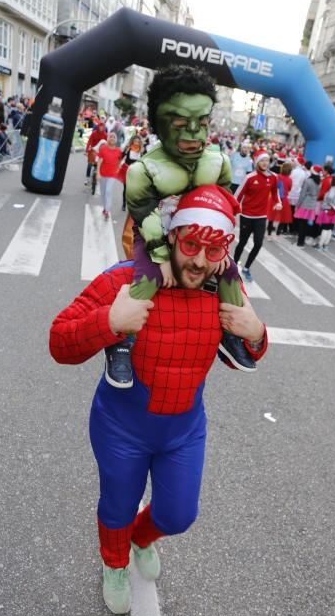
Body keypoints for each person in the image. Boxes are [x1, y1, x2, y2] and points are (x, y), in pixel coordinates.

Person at [49, 185, 268, 615]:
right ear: (170, 236)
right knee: (117, 505)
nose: (200, 261)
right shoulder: (127, 279)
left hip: (183, 430)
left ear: (226, 247)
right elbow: (59, 342)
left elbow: (245, 353)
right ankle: (113, 564)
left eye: (214, 248)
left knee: (177, 516)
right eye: (190, 245)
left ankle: (139, 538)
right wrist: (110, 321)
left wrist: (257, 332)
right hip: (121, 428)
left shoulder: (225, 287)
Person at [106, 64, 257, 390]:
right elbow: (142, 212)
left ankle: (230, 333)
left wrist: (220, 248)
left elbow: (226, 203)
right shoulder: (144, 169)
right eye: (179, 124)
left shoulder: (218, 161)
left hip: (198, 237)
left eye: (200, 123)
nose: (192, 134)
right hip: (157, 235)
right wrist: (161, 254)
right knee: (144, 280)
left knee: (230, 272)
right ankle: (122, 341)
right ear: (160, 123)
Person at [233, 149, 282, 280]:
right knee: (242, 242)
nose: (265, 163)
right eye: (262, 160)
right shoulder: (249, 177)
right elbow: (237, 195)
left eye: (267, 160)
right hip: (247, 216)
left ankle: (247, 267)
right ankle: (232, 268)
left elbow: (275, 192)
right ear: (257, 162)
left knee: (258, 243)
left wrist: (278, 202)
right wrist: (231, 211)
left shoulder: (273, 177)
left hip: (261, 217)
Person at [97, 132, 122, 219]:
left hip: (112, 175)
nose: (112, 138)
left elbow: (120, 160)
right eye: (110, 137)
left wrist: (118, 168)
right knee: (103, 193)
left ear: (116, 140)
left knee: (108, 191)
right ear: (108, 138)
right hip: (103, 174)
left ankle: (107, 210)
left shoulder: (119, 151)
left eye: (114, 137)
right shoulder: (103, 148)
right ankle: (104, 208)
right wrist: (98, 173)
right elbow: (99, 161)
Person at [295, 165, 322, 247]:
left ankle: (300, 242)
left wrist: (298, 205)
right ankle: (302, 241)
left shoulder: (308, 181)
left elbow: (302, 194)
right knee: (306, 223)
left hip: (305, 203)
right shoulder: (319, 182)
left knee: (301, 224)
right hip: (312, 205)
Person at [118, 134, 144, 211]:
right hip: (127, 170)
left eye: (138, 142)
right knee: (126, 188)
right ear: (132, 141)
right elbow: (121, 156)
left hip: (136, 171)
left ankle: (132, 205)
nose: (136, 143)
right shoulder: (128, 148)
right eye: (135, 141)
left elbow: (144, 161)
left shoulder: (141, 150)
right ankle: (124, 204)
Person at [315, 175, 335, 250]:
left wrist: (328, 203)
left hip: (328, 209)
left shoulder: (333, 189)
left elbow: (330, 197)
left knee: (325, 228)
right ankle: (325, 245)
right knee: (330, 229)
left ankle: (320, 245)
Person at [273, 161, 293, 237]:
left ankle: (270, 228)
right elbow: (290, 188)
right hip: (284, 198)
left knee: (273, 213)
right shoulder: (289, 179)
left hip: (276, 197)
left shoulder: (277, 176)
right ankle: (279, 230)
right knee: (284, 215)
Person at [84, 120, 107, 185]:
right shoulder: (94, 133)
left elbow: (106, 145)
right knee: (89, 165)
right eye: (100, 126)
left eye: (102, 126)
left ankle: (100, 177)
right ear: (98, 126)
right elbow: (89, 142)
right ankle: (87, 179)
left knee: (101, 165)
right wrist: (86, 151)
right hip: (93, 150)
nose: (101, 128)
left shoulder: (105, 135)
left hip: (100, 151)